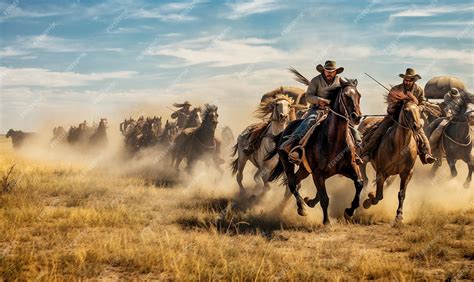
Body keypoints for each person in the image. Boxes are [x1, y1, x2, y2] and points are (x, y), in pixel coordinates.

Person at [279, 60, 362, 165]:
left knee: (349, 126)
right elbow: (308, 96)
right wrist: (319, 100)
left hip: (335, 111)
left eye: (332, 71)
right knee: (309, 121)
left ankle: (356, 150)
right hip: (317, 109)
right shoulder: (315, 81)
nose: (329, 73)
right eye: (327, 71)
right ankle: (294, 145)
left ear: (336, 72)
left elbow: (347, 93)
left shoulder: (340, 81)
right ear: (323, 71)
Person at [361, 68, 436, 164]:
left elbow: (422, 103)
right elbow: (389, 103)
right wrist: (394, 107)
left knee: (421, 134)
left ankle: (427, 154)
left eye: (410, 80)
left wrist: (417, 108)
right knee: (379, 131)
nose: (407, 82)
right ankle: (367, 153)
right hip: (395, 117)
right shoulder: (396, 89)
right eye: (405, 80)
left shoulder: (418, 90)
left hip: (412, 118)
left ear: (414, 80)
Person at [429, 88, 465, 163]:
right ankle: (431, 146)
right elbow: (448, 110)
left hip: (458, 119)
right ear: (451, 94)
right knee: (439, 129)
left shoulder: (460, 99)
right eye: (454, 96)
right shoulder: (447, 98)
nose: (456, 97)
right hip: (447, 117)